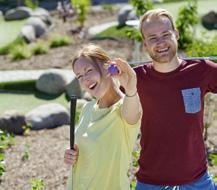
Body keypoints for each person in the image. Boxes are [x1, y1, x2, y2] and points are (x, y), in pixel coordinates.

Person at [134, 8, 217, 190]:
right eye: (153, 38)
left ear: (176, 34)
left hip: (196, 179)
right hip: (151, 181)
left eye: (165, 34)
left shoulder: (201, 70)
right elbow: (102, 103)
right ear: (145, 44)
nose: (161, 42)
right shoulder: (135, 78)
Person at [64, 44, 142, 190]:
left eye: (89, 70)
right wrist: (72, 155)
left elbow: (133, 111)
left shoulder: (125, 107)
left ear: (108, 67)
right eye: (79, 76)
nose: (85, 79)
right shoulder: (87, 109)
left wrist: (131, 88)